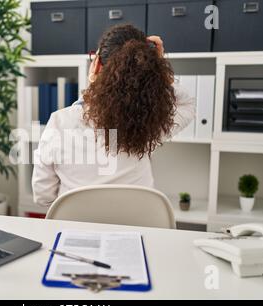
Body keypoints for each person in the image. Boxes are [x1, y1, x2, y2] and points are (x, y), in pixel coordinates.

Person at [32, 24, 195, 207]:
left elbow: (43, 196)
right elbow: (188, 104)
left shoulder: (60, 123)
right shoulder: (147, 127)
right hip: (135, 232)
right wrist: (159, 69)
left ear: (96, 65)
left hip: (75, 230)